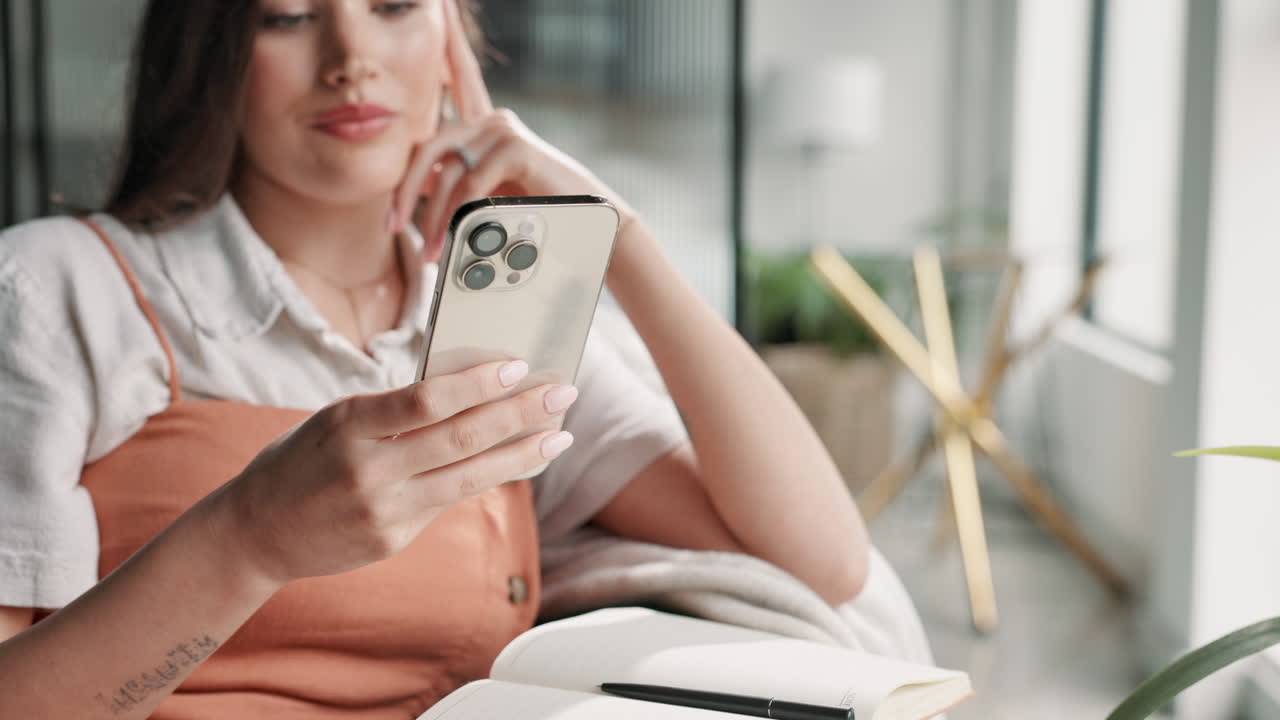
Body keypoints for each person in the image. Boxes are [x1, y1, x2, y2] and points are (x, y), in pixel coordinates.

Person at [0, 1, 874, 717]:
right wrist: (250, 538)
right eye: (289, 16)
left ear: (451, 39)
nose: (352, 56)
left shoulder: (499, 323)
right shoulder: (55, 289)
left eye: (393, 7)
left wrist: (618, 233)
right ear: (207, 54)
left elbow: (821, 562)